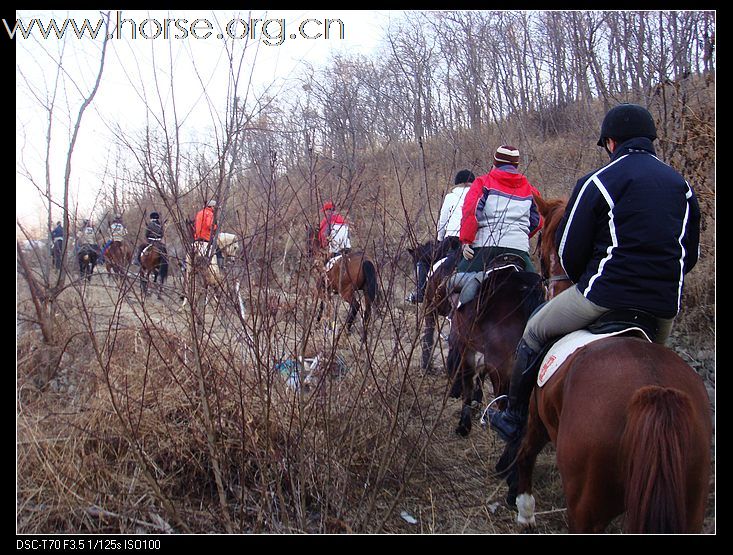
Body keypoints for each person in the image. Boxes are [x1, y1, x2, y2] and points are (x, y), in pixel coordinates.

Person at [487, 103, 701, 444]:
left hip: (603, 297)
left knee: (534, 330)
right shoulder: (683, 187)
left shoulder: (598, 182)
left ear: (611, 143)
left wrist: (593, 275)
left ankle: (513, 418)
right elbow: (688, 256)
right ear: (650, 140)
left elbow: (570, 253)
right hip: (662, 307)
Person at [458, 145, 543, 275]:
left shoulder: (482, 182)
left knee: (457, 281)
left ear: (495, 163)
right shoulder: (531, 190)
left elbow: (471, 212)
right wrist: (519, 234)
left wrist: (466, 241)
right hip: (518, 248)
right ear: (516, 165)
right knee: (536, 287)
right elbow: (538, 221)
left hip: (485, 247)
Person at [407, 169, 475, 303]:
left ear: (457, 184)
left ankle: (420, 292)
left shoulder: (450, 197)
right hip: (475, 240)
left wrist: (439, 239)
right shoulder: (478, 195)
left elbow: (442, 222)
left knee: (422, 258)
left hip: (453, 241)